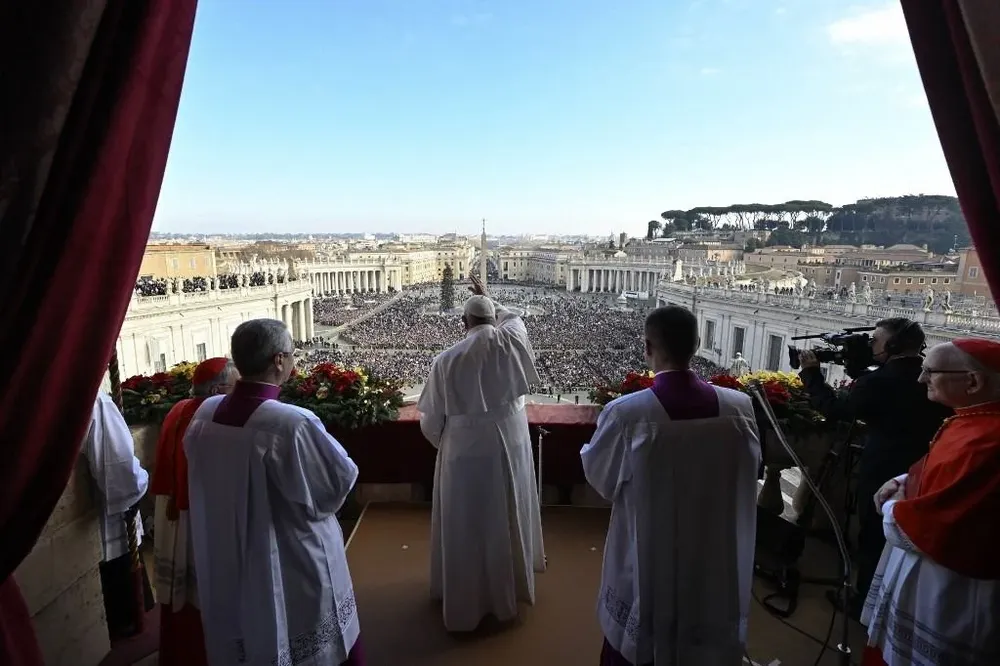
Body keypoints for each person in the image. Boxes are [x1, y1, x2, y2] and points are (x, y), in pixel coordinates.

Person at [581, 305, 761, 665]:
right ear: (697, 343)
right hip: (714, 541)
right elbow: (751, 469)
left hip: (651, 544)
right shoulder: (740, 407)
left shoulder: (627, 412)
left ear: (647, 347)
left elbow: (601, 478)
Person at [183, 319, 364, 665]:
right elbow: (334, 486)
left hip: (228, 554)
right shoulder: (292, 423)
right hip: (289, 557)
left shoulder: (205, 414)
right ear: (279, 360)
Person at [798, 318, 952, 617]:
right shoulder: (928, 375)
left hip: (883, 469)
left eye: (875, 341)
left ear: (892, 346)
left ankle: (861, 605)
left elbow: (836, 410)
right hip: (925, 469)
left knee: (873, 536)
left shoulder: (878, 381)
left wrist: (812, 376)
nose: (871, 345)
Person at [417, 274, 546, 632]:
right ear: (493, 319)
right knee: (507, 513)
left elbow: (430, 421)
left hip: (464, 449)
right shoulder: (514, 341)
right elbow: (512, 319)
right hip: (513, 437)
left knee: (467, 522)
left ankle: (465, 601)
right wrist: (489, 297)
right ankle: (511, 592)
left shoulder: (445, 360)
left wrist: (448, 442)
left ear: (464, 323)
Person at [861, 338, 1000, 665]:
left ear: (973, 381)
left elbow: (940, 522)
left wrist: (892, 508)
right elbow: (944, 471)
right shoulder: (971, 417)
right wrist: (903, 480)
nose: (920, 379)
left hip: (952, 587)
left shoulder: (990, 440)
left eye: (930, 372)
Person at [150, 357, 237, 666]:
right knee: (203, 592)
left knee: (180, 592)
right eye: (233, 386)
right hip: (196, 513)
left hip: (172, 508)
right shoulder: (214, 416)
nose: (236, 392)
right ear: (216, 389)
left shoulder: (178, 408)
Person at [81, 390, 154, 641]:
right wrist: (143, 481)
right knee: (129, 631)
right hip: (109, 533)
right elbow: (122, 472)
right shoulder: (93, 399)